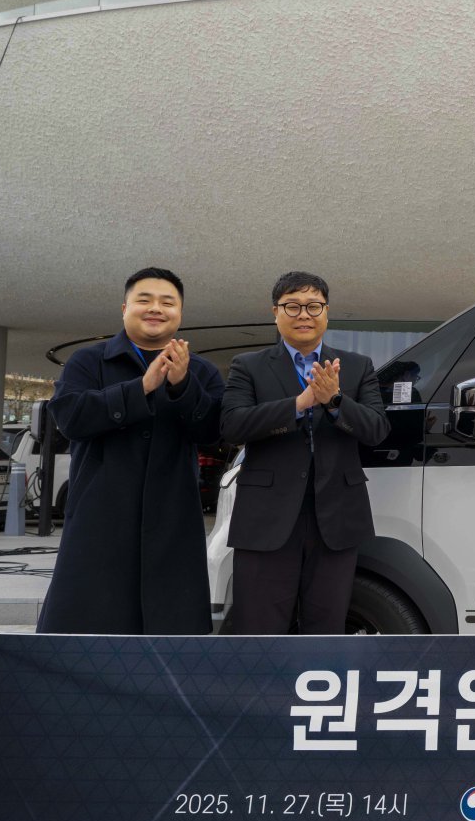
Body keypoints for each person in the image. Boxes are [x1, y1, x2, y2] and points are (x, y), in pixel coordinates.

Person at [36, 267, 224, 634]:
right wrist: (142, 388)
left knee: (171, 630)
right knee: (88, 626)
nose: (156, 308)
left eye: (167, 302)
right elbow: (71, 418)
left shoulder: (200, 370)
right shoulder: (89, 361)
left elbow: (213, 432)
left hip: (173, 518)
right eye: (144, 300)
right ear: (125, 308)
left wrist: (183, 386)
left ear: (180, 314)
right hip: (99, 516)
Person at [221, 271, 391, 634]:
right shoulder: (248, 365)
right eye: (292, 306)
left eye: (314, 306)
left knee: (326, 626)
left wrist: (335, 400)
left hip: (337, 515)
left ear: (326, 312)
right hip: (266, 517)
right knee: (259, 626)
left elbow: (376, 430)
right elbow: (232, 426)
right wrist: (298, 404)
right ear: (275, 312)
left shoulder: (357, 366)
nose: (304, 314)